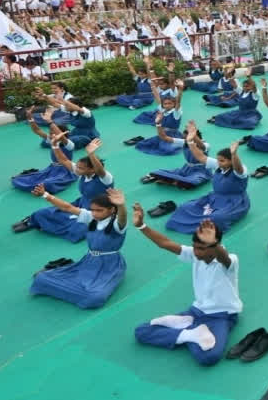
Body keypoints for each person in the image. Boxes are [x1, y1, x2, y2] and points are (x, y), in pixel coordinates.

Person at [132, 217, 240, 366]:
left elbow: (223, 257)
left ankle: (186, 331)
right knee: (141, 331)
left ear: (216, 245)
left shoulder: (229, 262)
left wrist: (212, 243)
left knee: (208, 357)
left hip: (221, 317)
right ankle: (191, 333)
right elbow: (165, 243)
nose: (196, 252)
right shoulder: (194, 255)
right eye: (195, 247)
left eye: (202, 248)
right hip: (195, 312)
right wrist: (141, 226)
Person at [28, 186, 128, 309]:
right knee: (41, 278)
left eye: (99, 210)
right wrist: (45, 195)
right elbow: (67, 207)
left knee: (95, 298)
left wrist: (121, 205)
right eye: (93, 210)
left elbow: (123, 218)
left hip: (109, 267)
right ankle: (66, 272)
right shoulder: (91, 217)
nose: (95, 213)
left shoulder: (117, 224)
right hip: (89, 262)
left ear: (112, 210)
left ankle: (68, 280)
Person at [13, 138, 111, 240]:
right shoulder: (81, 173)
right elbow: (63, 160)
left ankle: (45, 224)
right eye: (77, 166)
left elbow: (100, 170)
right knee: (42, 213)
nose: (76, 169)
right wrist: (55, 145)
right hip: (82, 203)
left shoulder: (105, 179)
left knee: (78, 231)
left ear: (92, 169)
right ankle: (33, 221)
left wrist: (91, 154)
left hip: (97, 210)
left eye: (80, 168)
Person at [165, 140, 250, 233]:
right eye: (218, 160)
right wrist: (189, 141)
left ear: (231, 161)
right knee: (184, 207)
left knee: (216, 218)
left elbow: (239, 168)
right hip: (215, 198)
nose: (219, 163)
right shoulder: (219, 165)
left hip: (234, 203)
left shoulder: (240, 170)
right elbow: (201, 157)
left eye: (222, 161)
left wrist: (234, 154)